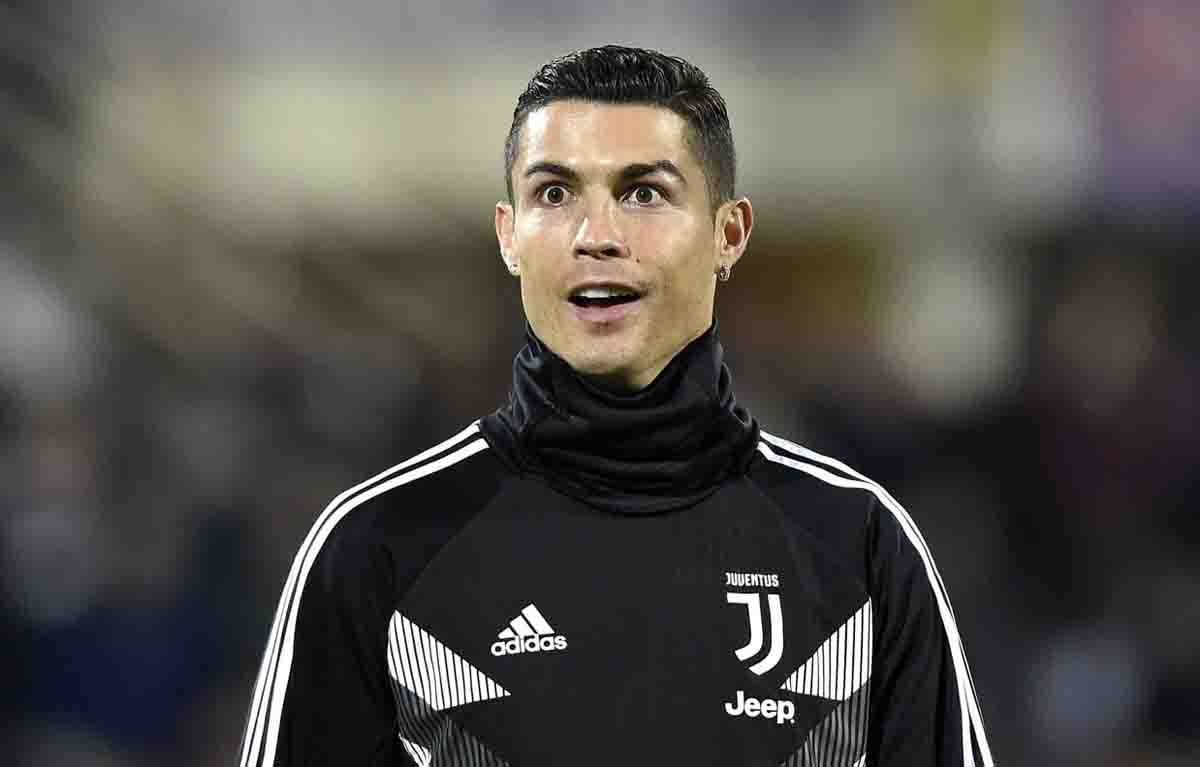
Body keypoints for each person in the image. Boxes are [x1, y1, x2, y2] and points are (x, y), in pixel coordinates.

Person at [238, 45, 994, 767]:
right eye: (554, 193)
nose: (595, 236)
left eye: (644, 193)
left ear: (728, 234)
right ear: (509, 235)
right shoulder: (378, 547)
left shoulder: (858, 546)